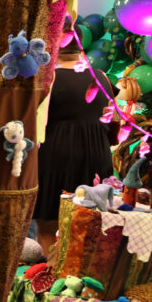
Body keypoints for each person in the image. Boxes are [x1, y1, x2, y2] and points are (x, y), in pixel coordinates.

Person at [34, 23, 113, 254]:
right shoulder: (102, 77)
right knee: (91, 222)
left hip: (56, 154)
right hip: (97, 154)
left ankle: (48, 275)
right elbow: (110, 116)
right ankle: (84, 276)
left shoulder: (48, 78)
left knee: (48, 222)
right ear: (81, 44)